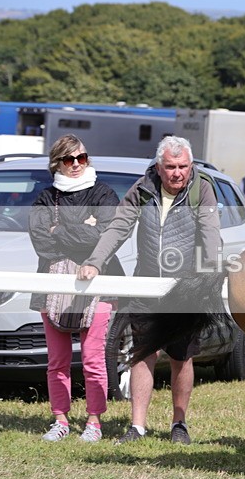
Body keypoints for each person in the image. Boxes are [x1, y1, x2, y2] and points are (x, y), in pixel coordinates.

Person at [78, 136, 221, 445]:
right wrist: (95, 261)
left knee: (182, 356)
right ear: (159, 166)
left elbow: (210, 232)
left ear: (190, 165)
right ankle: (137, 426)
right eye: (170, 167)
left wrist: (209, 269)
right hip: (145, 284)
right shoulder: (143, 188)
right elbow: (119, 227)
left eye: (183, 166)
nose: (177, 173)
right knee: (143, 353)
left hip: (185, 287)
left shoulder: (202, 189)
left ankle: (179, 424)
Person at [29, 134, 123, 442]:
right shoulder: (45, 198)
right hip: (51, 285)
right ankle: (60, 419)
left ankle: (94, 421)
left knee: (93, 359)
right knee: (57, 361)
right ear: (57, 163)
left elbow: (107, 237)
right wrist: (85, 230)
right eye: (69, 159)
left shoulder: (103, 193)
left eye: (81, 158)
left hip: (100, 283)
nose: (76, 164)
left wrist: (59, 230)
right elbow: (42, 244)